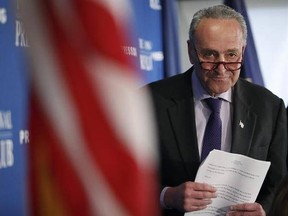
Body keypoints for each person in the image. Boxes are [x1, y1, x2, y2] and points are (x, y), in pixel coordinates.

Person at [148, 4, 288, 216]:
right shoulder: (150, 101)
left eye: (231, 55)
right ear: (191, 51)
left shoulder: (270, 107)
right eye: (210, 55)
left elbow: (278, 183)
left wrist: (264, 210)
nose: (221, 68)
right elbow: (123, 176)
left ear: (243, 50)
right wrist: (167, 196)